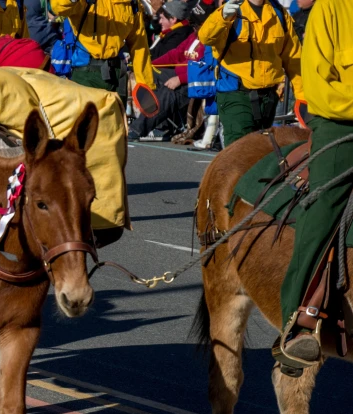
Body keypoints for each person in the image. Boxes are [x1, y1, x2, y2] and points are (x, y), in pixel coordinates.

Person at [278, 0, 353, 365]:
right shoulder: (330, 9)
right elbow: (321, 90)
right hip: (342, 124)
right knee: (323, 206)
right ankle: (297, 323)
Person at [198, 0, 304, 147]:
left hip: (268, 98)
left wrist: (303, 97)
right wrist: (222, 17)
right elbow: (206, 37)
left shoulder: (279, 13)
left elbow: (294, 58)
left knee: (262, 153)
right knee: (239, 153)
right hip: (236, 94)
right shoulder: (233, 10)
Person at [130, 5, 209, 141]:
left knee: (169, 91)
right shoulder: (193, 36)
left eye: (196, 24)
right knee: (146, 74)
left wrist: (180, 79)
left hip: (193, 81)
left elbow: (206, 68)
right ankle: (141, 119)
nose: (193, 27)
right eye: (192, 23)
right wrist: (148, 66)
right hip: (179, 74)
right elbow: (176, 54)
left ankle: (139, 128)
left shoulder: (210, 42)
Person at [53, 0, 155, 100]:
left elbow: (140, 47)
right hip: (86, 74)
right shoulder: (85, 2)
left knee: (117, 117)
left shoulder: (132, 4)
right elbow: (59, 7)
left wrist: (147, 86)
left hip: (117, 77)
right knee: (88, 116)